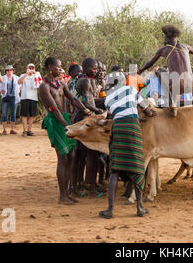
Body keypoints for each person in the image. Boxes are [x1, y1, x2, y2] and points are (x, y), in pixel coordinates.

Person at [99, 77, 156, 219]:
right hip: (132, 126)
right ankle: (140, 207)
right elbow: (146, 109)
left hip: (118, 127)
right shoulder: (131, 89)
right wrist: (150, 113)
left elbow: (113, 115)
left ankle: (110, 209)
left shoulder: (108, 98)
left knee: (115, 169)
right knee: (137, 167)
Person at [40, 57, 91, 205]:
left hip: (65, 120)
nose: (60, 69)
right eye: (57, 67)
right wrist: (65, 125)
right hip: (56, 122)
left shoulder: (61, 84)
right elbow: (53, 108)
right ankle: (62, 195)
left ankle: (67, 193)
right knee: (63, 157)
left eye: (61, 67)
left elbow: (74, 99)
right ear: (49, 67)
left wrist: (86, 110)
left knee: (72, 156)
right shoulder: (44, 86)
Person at [137, 25, 193, 114]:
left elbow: (149, 63)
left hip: (178, 85)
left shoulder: (164, 49)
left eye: (164, 37)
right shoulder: (185, 47)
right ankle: (175, 103)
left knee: (160, 71)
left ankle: (172, 103)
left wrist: (139, 71)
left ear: (168, 38)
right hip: (192, 84)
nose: (163, 39)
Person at [73, 58, 105, 196]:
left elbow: (90, 100)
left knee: (83, 154)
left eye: (97, 68)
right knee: (91, 153)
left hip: (84, 117)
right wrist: (99, 112)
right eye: (94, 68)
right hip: (84, 119)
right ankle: (89, 186)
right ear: (85, 68)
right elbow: (86, 103)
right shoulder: (85, 81)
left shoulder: (87, 80)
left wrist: (103, 101)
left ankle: (82, 184)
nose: (96, 71)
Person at [18, 63, 42, 137]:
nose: (31, 69)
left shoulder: (37, 75)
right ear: (27, 68)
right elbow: (19, 82)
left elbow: (41, 84)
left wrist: (35, 74)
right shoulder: (23, 75)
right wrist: (26, 74)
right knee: (24, 115)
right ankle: (24, 130)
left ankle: (29, 130)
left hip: (33, 97)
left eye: (32, 68)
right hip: (24, 97)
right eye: (29, 68)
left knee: (32, 115)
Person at [0, 65, 20, 135]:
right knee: (4, 113)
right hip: (5, 97)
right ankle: (4, 129)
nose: (9, 71)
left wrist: (18, 91)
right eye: (7, 70)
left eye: (11, 70)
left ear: (13, 71)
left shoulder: (16, 78)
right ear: (5, 71)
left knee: (13, 113)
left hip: (14, 97)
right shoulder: (2, 77)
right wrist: (0, 90)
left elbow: (20, 85)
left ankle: (12, 129)